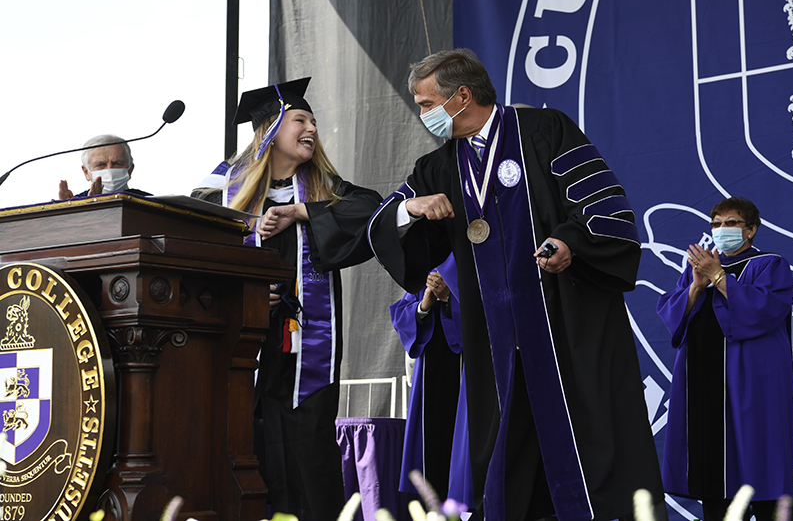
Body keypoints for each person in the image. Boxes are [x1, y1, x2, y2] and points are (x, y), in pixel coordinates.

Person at [367, 48, 665, 521]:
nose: (422, 115)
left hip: (566, 326)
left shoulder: (546, 132)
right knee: (507, 453)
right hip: (496, 345)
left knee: (589, 443)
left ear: (462, 96)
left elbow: (607, 210)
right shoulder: (438, 168)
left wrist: (570, 243)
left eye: (426, 104)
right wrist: (413, 209)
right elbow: (383, 225)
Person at [193, 78, 382, 520]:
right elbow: (190, 243)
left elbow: (372, 209)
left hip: (303, 346)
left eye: (314, 120)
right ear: (271, 128)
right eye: (300, 119)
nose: (312, 127)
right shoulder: (221, 190)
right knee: (246, 445)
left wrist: (302, 212)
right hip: (241, 344)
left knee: (307, 453)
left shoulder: (321, 188)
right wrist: (247, 290)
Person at [656, 197, 793, 521]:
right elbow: (673, 315)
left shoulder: (769, 264)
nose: (722, 230)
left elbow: (764, 310)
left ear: (752, 230)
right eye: (716, 224)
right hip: (705, 382)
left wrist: (719, 278)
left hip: (753, 380)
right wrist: (695, 287)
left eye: (731, 223)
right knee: (713, 468)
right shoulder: (698, 270)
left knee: (760, 459)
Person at [389, 254, 472, 507]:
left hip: (469, 364)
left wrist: (450, 298)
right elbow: (402, 312)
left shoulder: (473, 252)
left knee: (464, 446)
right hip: (432, 364)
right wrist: (425, 303)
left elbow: (489, 305)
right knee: (432, 450)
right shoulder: (429, 257)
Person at [58, 135, 146, 198]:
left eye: (117, 163)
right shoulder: (74, 202)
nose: (109, 170)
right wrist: (66, 212)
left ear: (130, 170)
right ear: (86, 172)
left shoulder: (150, 203)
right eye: (100, 165)